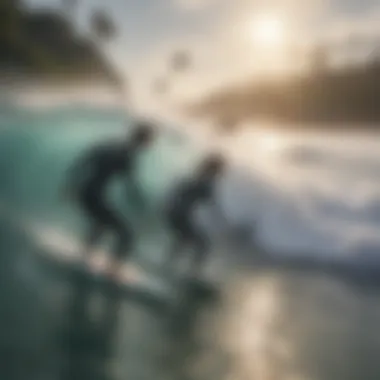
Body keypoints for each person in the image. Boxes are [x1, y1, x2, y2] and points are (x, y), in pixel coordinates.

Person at [63, 122, 155, 278]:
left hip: (88, 192)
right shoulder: (127, 154)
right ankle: (112, 270)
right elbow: (129, 185)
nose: (150, 144)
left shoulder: (115, 147)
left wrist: (72, 183)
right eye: (149, 140)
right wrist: (141, 205)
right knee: (126, 234)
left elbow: (87, 158)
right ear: (143, 140)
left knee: (101, 224)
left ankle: (84, 256)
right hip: (93, 194)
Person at [165, 154, 227, 277]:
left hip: (176, 213)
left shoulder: (197, 177)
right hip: (180, 214)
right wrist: (224, 220)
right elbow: (212, 202)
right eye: (219, 170)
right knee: (202, 245)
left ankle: (168, 266)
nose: (220, 173)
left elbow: (180, 191)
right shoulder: (204, 181)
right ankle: (192, 274)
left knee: (184, 240)